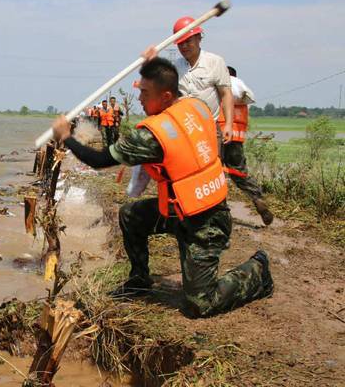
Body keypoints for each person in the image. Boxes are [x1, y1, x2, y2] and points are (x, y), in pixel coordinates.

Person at [50, 58, 273, 318]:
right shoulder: (195, 105)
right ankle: (139, 280)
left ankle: (258, 270)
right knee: (131, 215)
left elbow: (99, 161)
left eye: (145, 93)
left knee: (201, 303)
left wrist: (66, 137)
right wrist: (153, 59)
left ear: (166, 95)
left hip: (207, 222)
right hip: (180, 209)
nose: (140, 99)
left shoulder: (153, 134)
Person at [142, 16, 273, 225]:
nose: (184, 46)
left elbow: (226, 94)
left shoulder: (215, 62)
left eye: (188, 41)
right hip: (185, 132)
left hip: (210, 130)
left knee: (213, 174)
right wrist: (151, 61)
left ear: (198, 38)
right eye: (180, 43)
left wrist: (228, 124)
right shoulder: (175, 67)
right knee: (186, 173)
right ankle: (190, 211)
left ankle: (218, 215)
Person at [222, 66, 273, 225]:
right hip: (236, 138)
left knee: (214, 173)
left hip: (218, 134)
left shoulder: (221, 89)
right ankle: (257, 199)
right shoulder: (242, 95)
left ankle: (219, 209)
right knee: (240, 173)